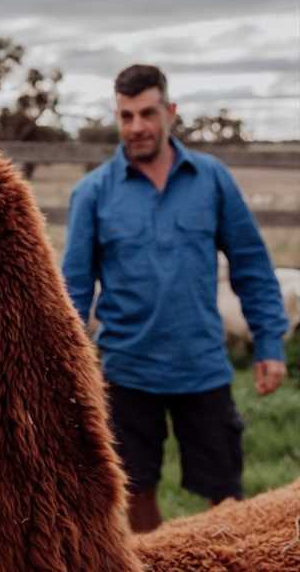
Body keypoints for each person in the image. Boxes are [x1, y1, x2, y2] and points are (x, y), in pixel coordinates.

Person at [61, 64, 288, 533]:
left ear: (170, 112)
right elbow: (74, 292)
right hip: (127, 370)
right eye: (126, 116)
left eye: (147, 113)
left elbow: (251, 263)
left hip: (201, 364)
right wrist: (63, 370)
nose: (137, 126)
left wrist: (269, 343)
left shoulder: (212, 180)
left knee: (227, 495)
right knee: (134, 490)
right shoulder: (93, 194)